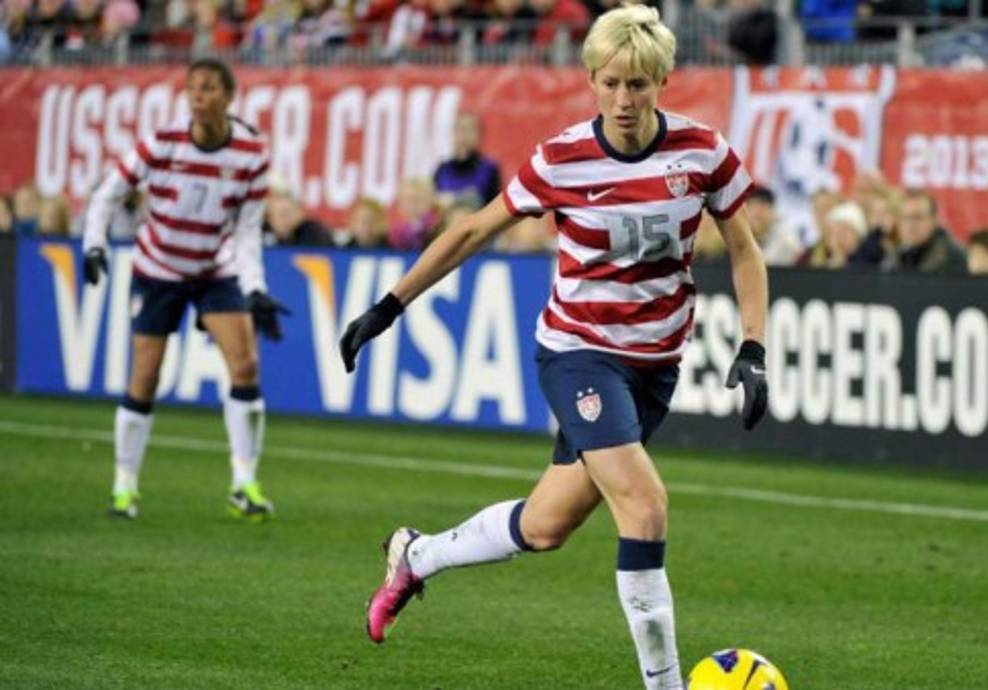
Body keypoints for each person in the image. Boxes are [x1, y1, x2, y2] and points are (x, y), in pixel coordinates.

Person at [338, 8, 769, 689]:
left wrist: (753, 344)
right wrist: (390, 305)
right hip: (578, 354)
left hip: (655, 366)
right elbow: (473, 231)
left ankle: (416, 556)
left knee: (544, 527)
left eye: (639, 85)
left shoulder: (703, 152)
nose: (624, 100)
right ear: (591, 80)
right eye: (612, 83)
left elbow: (744, 248)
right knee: (646, 506)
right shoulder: (562, 158)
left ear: (663, 80)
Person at [81, 58, 288, 521]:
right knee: (146, 376)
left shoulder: (251, 153)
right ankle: (124, 486)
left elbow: (248, 230)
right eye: (192, 88)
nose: (198, 96)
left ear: (228, 97)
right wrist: (95, 244)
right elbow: (108, 193)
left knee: (246, 364)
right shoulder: (162, 143)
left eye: (209, 88)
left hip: (214, 269)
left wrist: (254, 288)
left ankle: (244, 484)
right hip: (158, 267)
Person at [881, 189, 966, 274]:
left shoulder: (954, 257)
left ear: (933, 220)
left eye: (917, 217)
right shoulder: (892, 253)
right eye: (905, 218)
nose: (911, 225)